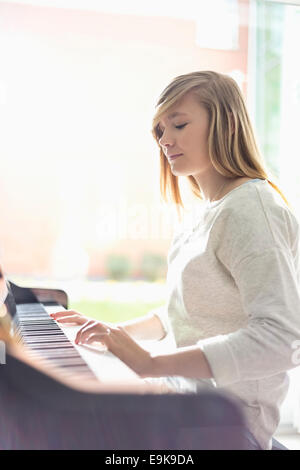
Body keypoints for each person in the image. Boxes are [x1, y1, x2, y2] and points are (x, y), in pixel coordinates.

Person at [51, 71, 300, 451]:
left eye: (179, 124)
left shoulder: (252, 210)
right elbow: (189, 311)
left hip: (229, 426)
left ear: (227, 123)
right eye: (159, 131)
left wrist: (153, 364)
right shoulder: (207, 210)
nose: (166, 141)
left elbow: (282, 338)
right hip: (186, 404)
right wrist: (117, 332)